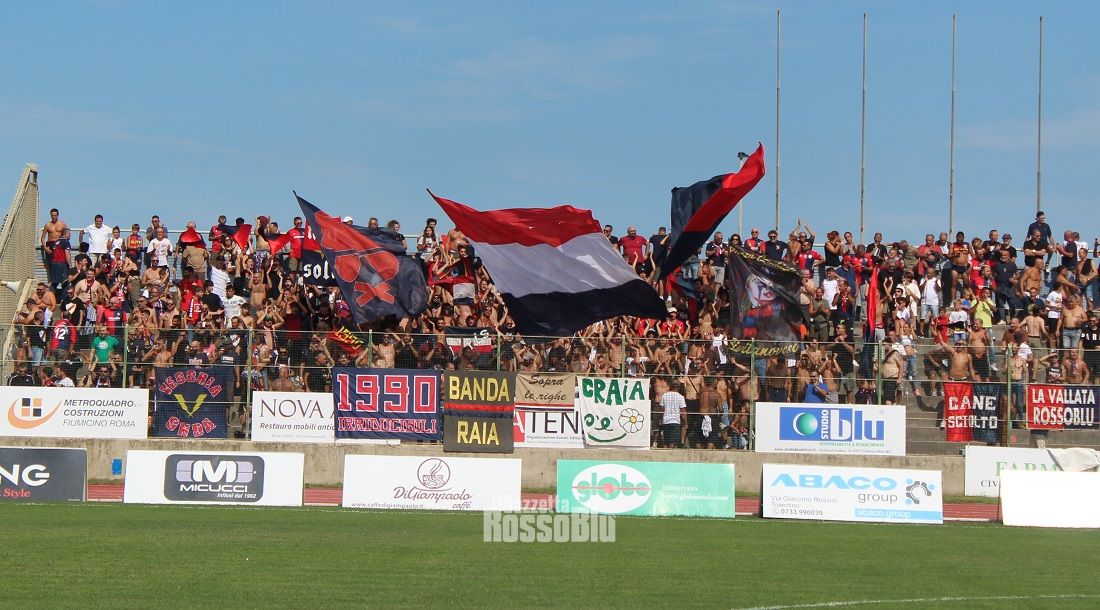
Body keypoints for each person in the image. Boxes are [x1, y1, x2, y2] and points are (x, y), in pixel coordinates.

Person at [658, 382, 686, 448]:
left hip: (666, 420)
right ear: (678, 387)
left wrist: (661, 418)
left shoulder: (665, 395)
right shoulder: (680, 397)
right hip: (675, 421)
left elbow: (662, 409)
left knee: (666, 442)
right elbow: (683, 410)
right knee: (672, 443)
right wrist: (685, 421)